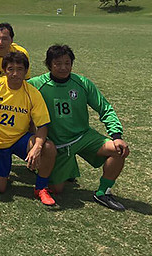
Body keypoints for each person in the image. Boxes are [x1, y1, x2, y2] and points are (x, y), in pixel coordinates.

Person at [28, 45, 129, 210]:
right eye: (58, 63)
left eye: (67, 63)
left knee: (119, 150)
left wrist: (116, 136)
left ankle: (103, 192)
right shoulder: (36, 84)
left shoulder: (82, 83)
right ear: (49, 64)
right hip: (58, 144)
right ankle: (64, 168)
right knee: (57, 190)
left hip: (83, 137)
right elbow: (13, 88)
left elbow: (105, 108)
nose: (63, 67)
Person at [0, 51, 57, 205]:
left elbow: (42, 125)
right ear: (4, 70)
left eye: (20, 69)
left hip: (19, 139)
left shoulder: (32, 93)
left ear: (26, 71)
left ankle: (41, 188)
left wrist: (37, 147)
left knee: (48, 147)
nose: (15, 73)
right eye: (10, 69)